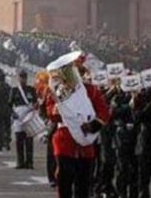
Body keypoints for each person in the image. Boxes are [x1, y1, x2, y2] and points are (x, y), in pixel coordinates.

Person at [45, 52, 110, 198]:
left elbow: (104, 113)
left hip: (86, 143)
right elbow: (51, 114)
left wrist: (92, 126)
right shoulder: (56, 92)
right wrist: (60, 108)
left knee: (84, 184)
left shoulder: (91, 90)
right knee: (64, 182)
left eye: (79, 72)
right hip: (65, 140)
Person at [9, 70, 36, 169]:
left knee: (29, 141)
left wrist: (33, 111)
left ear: (26, 78)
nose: (22, 79)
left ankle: (29, 162)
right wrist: (13, 113)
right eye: (21, 77)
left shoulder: (31, 90)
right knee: (19, 141)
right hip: (18, 118)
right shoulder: (14, 90)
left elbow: (36, 102)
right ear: (18, 78)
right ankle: (20, 162)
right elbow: (9, 104)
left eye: (24, 77)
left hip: (28, 117)